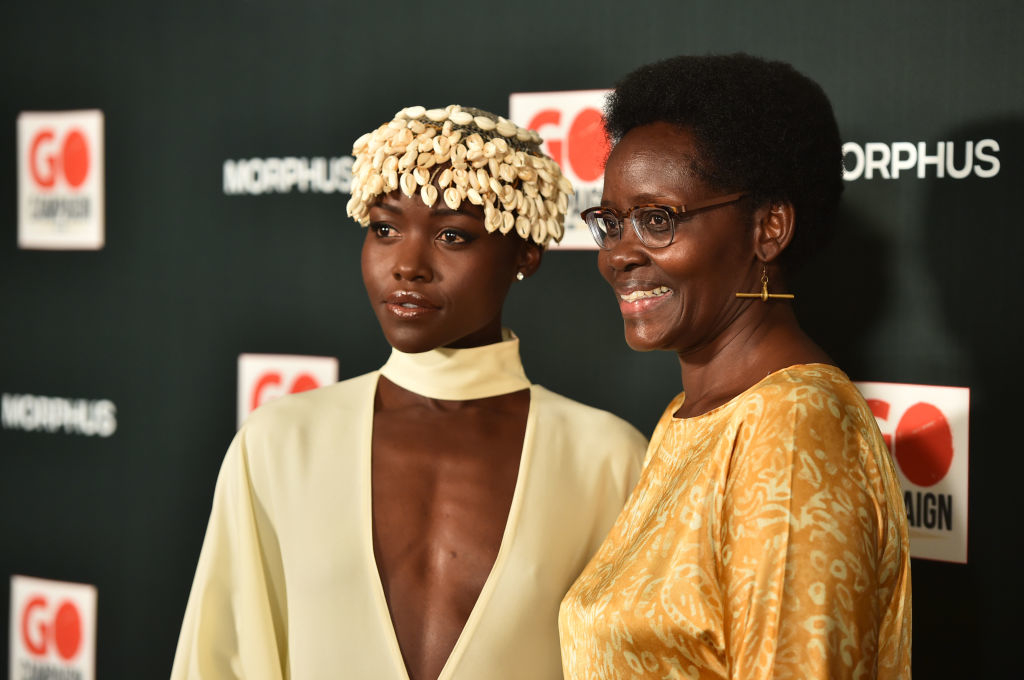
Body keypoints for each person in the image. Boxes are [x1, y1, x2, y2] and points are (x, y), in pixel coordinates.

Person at [170, 105, 647, 680]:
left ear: (526, 252)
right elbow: (219, 660)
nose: (407, 265)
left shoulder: (608, 458)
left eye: (452, 235)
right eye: (385, 229)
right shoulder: (277, 443)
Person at [558, 55, 912, 679]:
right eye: (611, 223)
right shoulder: (688, 415)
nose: (618, 256)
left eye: (657, 220)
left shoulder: (794, 427)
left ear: (768, 229)